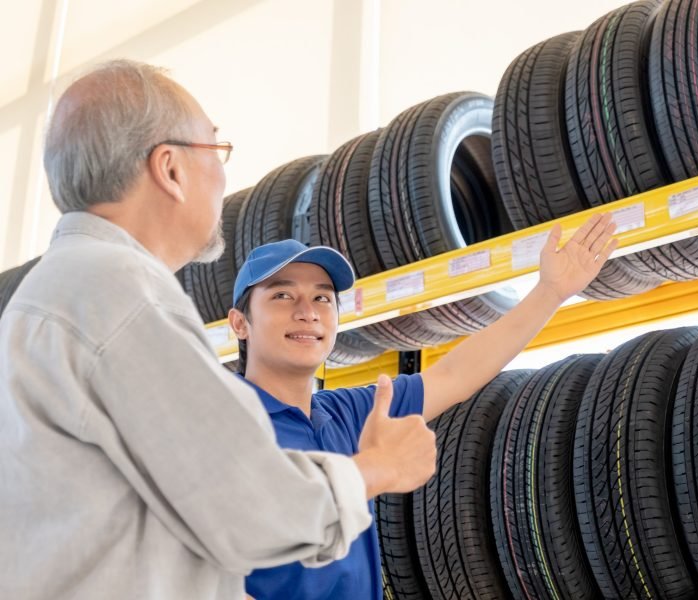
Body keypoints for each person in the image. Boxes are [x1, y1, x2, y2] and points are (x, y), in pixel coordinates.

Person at [0, 59, 438, 600]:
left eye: (322, 297)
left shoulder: (53, 292)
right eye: (215, 150)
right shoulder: (123, 294)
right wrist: (375, 470)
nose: (223, 177)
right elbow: (251, 510)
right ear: (170, 169)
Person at [228, 213, 618, 600]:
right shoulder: (220, 430)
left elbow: (455, 374)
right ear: (240, 323)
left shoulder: (348, 413)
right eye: (282, 295)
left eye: (322, 297)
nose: (307, 311)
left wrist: (550, 292)